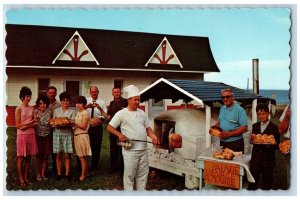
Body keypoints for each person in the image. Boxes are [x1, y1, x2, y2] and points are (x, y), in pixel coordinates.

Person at [107, 85, 159, 190]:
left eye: (139, 100)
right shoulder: (121, 113)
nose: (137, 102)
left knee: (143, 174)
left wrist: (153, 137)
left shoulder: (142, 113)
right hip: (130, 151)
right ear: (129, 100)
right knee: (129, 175)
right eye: (135, 100)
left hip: (143, 149)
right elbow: (110, 127)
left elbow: (148, 128)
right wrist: (120, 135)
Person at [248, 104, 280, 190]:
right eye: (259, 114)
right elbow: (253, 140)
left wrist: (268, 144)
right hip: (256, 159)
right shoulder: (255, 126)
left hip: (268, 160)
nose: (262, 116)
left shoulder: (274, 127)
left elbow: (277, 145)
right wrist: (253, 139)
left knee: (267, 183)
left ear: (268, 113)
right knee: (252, 182)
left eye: (264, 113)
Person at [15, 86, 39, 186]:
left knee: (29, 157)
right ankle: (21, 178)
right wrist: (31, 122)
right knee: (21, 157)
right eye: (26, 96)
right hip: (21, 135)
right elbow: (18, 126)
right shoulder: (18, 109)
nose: (28, 98)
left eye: (29, 96)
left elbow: (36, 123)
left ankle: (25, 177)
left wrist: (28, 124)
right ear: (22, 97)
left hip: (31, 134)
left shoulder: (32, 108)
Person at [215, 88, 248, 152]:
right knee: (223, 161)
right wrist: (214, 129)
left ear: (233, 97)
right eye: (223, 97)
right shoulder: (222, 108)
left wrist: (229, 134)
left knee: (235, 161)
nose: (225, 99)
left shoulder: (240, 110)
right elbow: (219, 121)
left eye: (227, 97)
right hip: (222, 142)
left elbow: (245, 128)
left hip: (235, 143)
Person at [52, 92, 76, 180]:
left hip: (68, 134)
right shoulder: (56, 111)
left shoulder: (73, 111)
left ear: (69, 102)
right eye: (63, 100)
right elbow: (53, 123)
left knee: (67, 155)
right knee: (58, 155)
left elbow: (73, 124)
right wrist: (56, 124)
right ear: (61, 101)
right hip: (57, 134)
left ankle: (67, 174)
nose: (65, 102)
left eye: (67, 100)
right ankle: (58, 173)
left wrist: (67, 123)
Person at [86, 86, 109, 172]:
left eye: (95, 91)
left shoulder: (102, 102)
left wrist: (99, 119)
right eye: (92, 92)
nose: (94, 93)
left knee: (96, 146)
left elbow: (105, 115)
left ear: (98, 92)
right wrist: (87, 106)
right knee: (86, 145)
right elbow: (81, 110)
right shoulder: (86, 101)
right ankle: (83, 165)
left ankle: (94, 165)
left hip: (97, 127)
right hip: (87, 126)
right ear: (90, 93)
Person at [107, 87, 128, 174]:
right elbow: (108, 115)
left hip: (123, 129)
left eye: (118, 92)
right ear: (112, 94)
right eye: (115, 92)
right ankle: (113, 167)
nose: (116, 93)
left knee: (123, 148)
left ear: (121, 93)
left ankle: (123, 168)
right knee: (113, 149)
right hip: (113, 129)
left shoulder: (125, 102)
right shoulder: (111, 103)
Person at [73, 96, 92, 181]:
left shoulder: (85, 113)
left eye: (80, 103)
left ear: (84, 104)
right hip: (77, 135)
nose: (78, 105)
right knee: (81, 156)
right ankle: (87, 173)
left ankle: (83, 175)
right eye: (77, 103)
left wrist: (74, 123)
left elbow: (84, 126)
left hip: (82, 135)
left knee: (82, 157)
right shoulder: (77, 113)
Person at [34, 95, 52, 181]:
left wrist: (51, 123)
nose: (42, 105)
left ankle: (43, 173)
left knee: (45, 156)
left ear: (47, 104)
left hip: (47, 136)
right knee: (38, 157)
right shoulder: (35, 112)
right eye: (40, 103)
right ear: (38, 104)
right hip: (38, 137)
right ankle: (38, 174)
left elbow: (52, 124)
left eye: (44, 103)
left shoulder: (50, 112)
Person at [47, 86, 61, 174]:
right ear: (47, 93)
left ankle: (55, 167)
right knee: (45, 149)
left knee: (55, 149)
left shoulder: (59, 104)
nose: (52, 94)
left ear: (56, 93)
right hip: (44, 129)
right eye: (50, 92)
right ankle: (44, 169)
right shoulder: (43, 102)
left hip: (55, 129)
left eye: (53, 92)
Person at [278, 105, 290, 189]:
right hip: (289, 141)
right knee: (289, 166)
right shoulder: (289, 107)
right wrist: (288, 116)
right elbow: (281, 129)